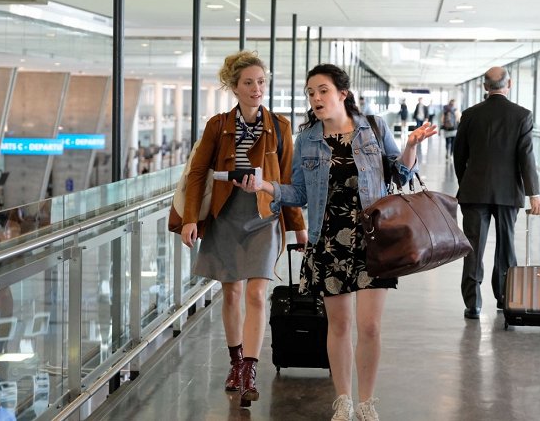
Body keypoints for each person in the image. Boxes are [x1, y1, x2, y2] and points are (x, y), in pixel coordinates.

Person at [236, 64, 436, 421]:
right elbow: (298, 193)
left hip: (373, 240)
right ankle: (343, 400)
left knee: (370, 326)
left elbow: (401, 175)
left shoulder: (373, 129)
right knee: (339, 325)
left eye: (323, 90)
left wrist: (410, 146)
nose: (315, 98)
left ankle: (367, 402)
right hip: (329, 242)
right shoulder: (308, 140)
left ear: (342, 93)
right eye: (311, 92)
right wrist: (265, 186)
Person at [180, 50, 307, 408]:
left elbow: (287, 181)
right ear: (234, 88)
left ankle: (249, 369)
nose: (256, 89)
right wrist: (191, 217)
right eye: (248, 83)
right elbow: (196, 174)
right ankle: (235, 363)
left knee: (255, 294)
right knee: (232, 293)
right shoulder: (218, 126)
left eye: (261, 82)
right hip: (225, 215)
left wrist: (298, 227)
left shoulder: (279, 126)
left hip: (264, 216)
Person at [453, 66, 540, 320]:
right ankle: (505, 298)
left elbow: (458, 155)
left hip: (474, 192)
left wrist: (466, 182)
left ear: (485, 87)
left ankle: (473, 305)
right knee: (506, 247)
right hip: (507, 194)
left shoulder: (470, 115)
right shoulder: (522, 115)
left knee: (473, 247)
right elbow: (526, 157)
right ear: (510, 84)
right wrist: (533, 194)